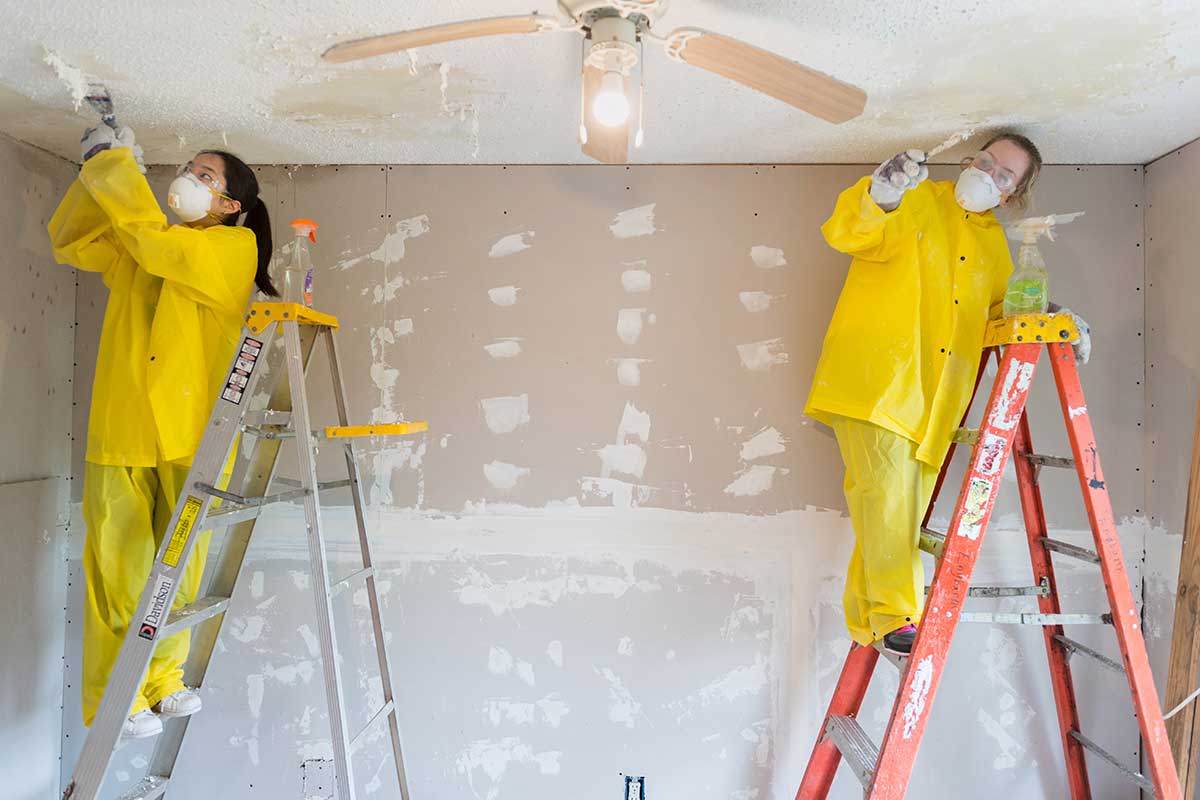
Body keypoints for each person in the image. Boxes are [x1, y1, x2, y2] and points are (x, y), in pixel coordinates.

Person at [805, 132, 1091, 655]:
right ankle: (896, 618)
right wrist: (881, 191)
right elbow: (852, 232)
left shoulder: (991, 248)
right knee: (888, 504)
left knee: (891, 514)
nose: (987, 174)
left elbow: (1008, 311)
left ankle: (871, 622)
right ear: (967, 159)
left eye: (1003, 175)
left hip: (934, 403)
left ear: (1011, 195)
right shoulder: (915, 201)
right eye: (985, 160)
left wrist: (1057, 319)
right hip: (878, 386)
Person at [48, 126, 278, 738]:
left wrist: (117, 168)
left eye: (206, 177)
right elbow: (73, 241)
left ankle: (162, 680)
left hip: (191, 431)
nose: (189, 180)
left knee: (179, 564)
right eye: (189, 169)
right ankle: (116, 699)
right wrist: (94, 172)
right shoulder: (147, 242)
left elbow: (157, 249)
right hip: (125, 422)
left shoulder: (233, 250)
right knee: (117, 566)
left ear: (231, 206)